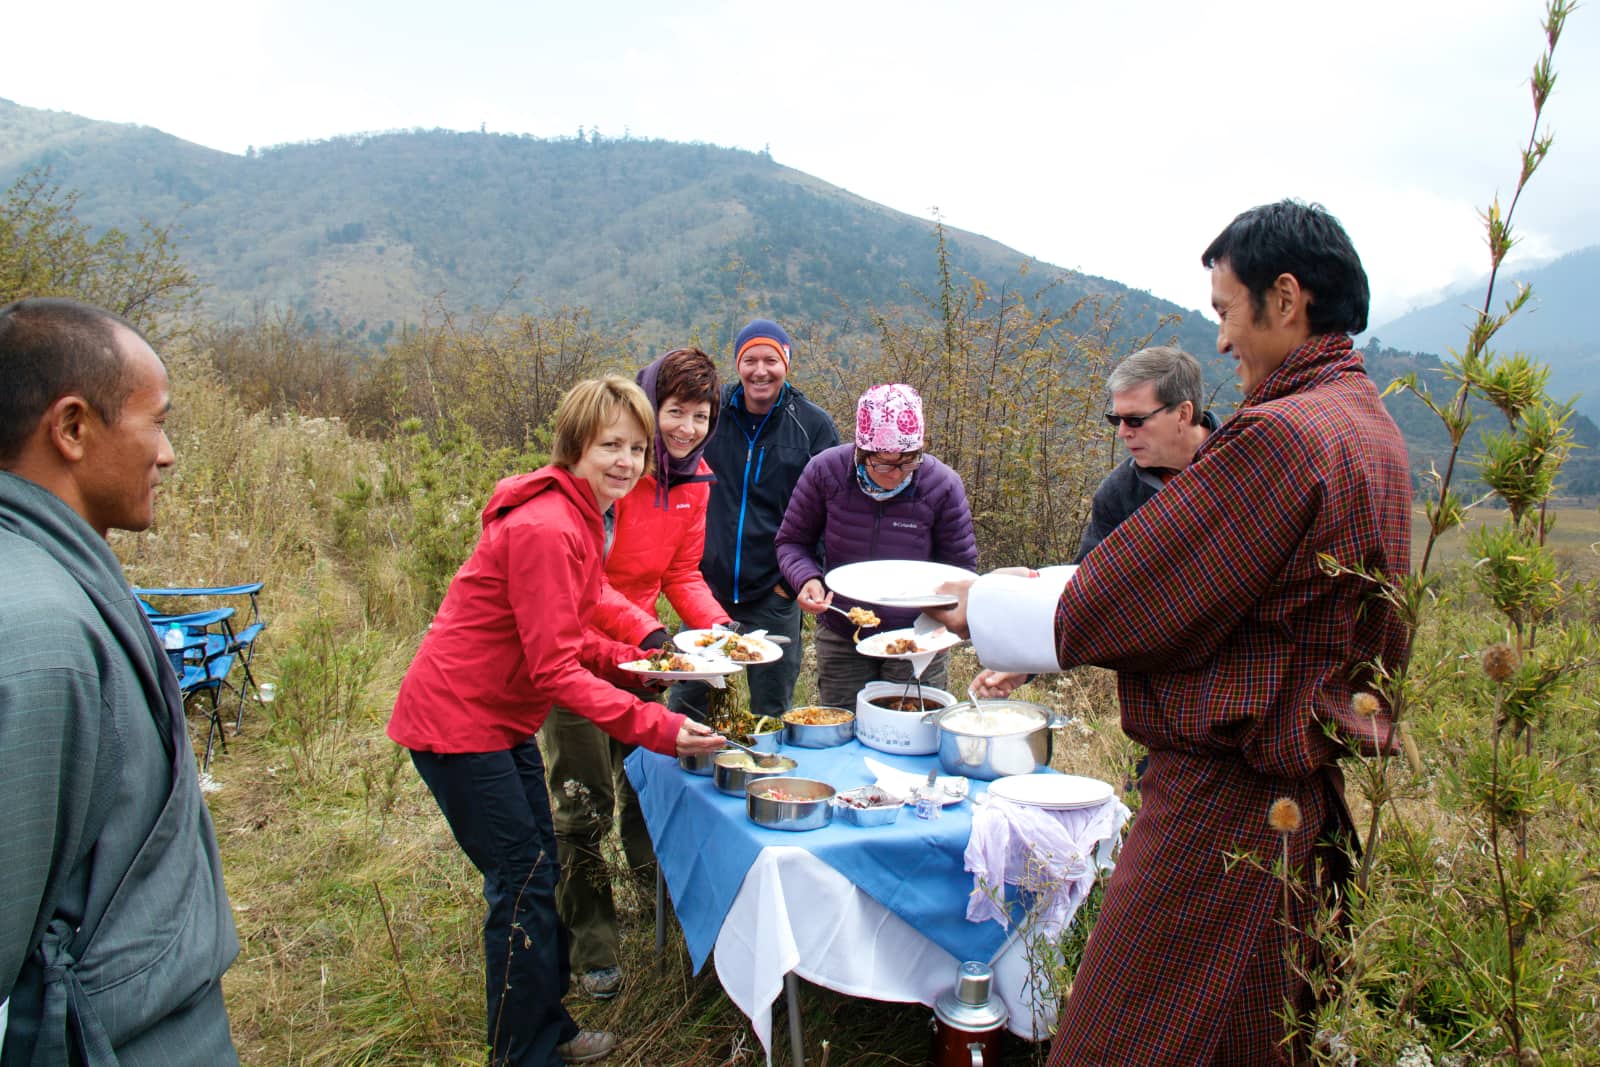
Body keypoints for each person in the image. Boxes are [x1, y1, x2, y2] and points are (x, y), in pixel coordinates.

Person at [932, 201, 1412, 1064]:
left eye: (1228, 310)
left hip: (1222, 805)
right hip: (1290, 801)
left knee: (1116, 1039)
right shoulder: (1370, 428)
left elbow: (1141, 591)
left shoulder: (1284, 435)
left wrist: (978, 610)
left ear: (1287, 298)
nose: (1223, 342)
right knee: (1246, 1038)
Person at [387, 376, 724, 1067]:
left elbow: (571, 634)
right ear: (575, 445)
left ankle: (551, 1027)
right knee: (521, 882)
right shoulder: (548, 526)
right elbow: (554, 669)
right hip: (458, 720)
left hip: (499, 716)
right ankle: (523, 1053)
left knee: (536, 868)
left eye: (636, 447)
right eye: (610, 446)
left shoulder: (580, 516)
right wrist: (655, 724)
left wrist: (645, 661)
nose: (627, 462)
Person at [0, 297, 239, 1064]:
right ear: (72, 428)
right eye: (156, 421)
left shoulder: (64, 581)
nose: (167, 453)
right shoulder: (42, 639)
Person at [543, 348, 730, 1002]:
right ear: (652, 406)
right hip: (579, 649)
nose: (685, 427)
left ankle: (665, 912)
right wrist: (644, 639)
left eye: (700, 415)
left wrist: (714, 628)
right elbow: (582, 584)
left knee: (650, 789)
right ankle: (593, 944)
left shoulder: (695, 482)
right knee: (583, 800)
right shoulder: (616, 473)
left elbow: (680, 573)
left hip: (644, 656)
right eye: (674, 411)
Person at [675, 318, 839, 718]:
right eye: (750, 359)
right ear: (738, 364)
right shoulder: (712, 414)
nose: (760, 370)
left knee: (771, 710)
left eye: (771, 359)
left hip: (773, 595)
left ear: (786, 363)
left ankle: (765, 777)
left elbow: (829, 512)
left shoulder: (812, 426)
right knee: (688, 702)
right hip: (706, 589)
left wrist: (790, 583)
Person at [775, 383, 977, 706]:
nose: (895, 474)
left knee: (911, 727)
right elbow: (792, 541)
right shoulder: (825, 472)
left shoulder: (942, 485)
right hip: (843, 629)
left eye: (907, 462)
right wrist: (807, 580)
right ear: (861, 450)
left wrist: (941, 619)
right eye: (882, 464)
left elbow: (962, 570)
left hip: (917, 635)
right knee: (843, 725)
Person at [1075, 345, 1221, 561]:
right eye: (1116, 419)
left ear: (1183, 413)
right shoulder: (1117, 493)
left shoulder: (1249, 464)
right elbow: (1087, 579)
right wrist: (1034, 580)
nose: (1123, 433)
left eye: (1135, 420)